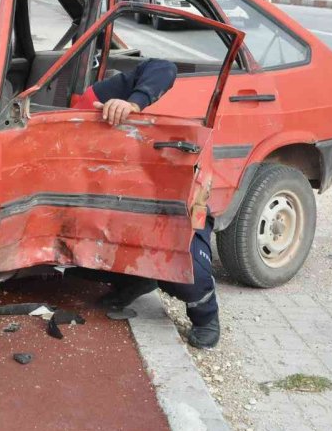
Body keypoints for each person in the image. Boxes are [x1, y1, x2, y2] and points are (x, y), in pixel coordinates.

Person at [73, 59, 221, 349]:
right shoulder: (55, 121)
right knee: (78, 254)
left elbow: (163, 67)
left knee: (185, 268)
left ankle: (206, 317)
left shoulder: (93, 100)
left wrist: (133, 103)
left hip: (168, 205)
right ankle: (136, 281)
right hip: (116, 206)